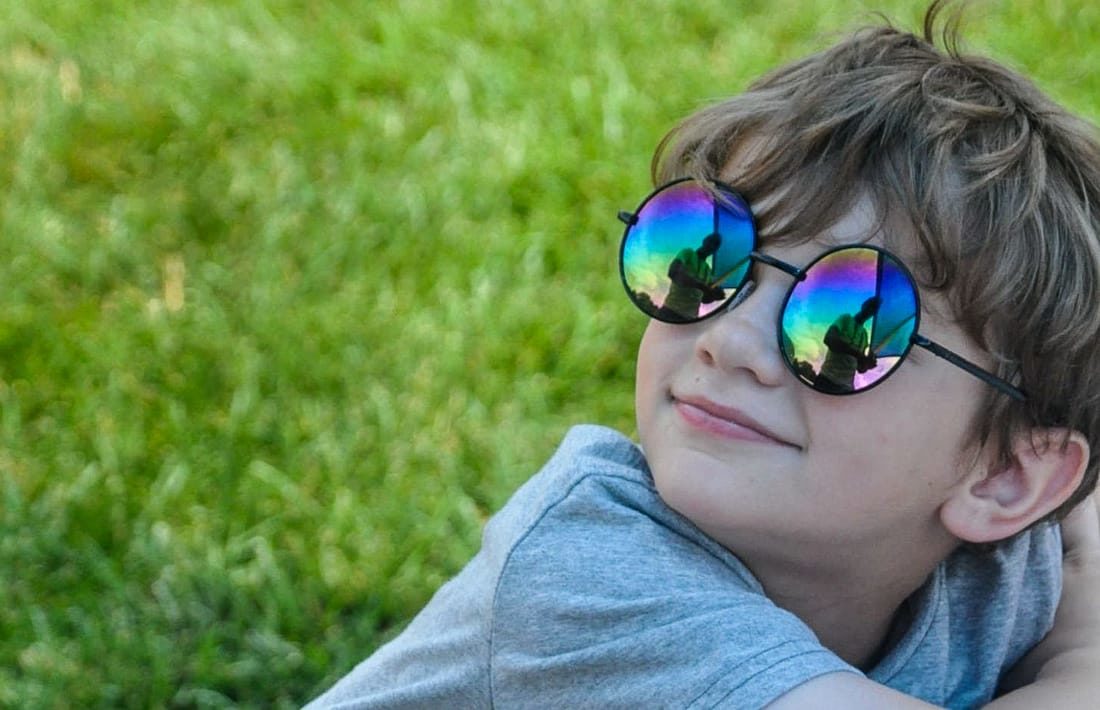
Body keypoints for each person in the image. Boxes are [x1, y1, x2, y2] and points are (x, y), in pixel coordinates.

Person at [308, 2, 1100, 707]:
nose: (729, 342)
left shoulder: (1004, 552)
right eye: (709, 254)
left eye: (847, 324)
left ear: (1005, 479)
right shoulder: (589, 570)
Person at [816, 296, 881, 392]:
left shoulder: (864, 335)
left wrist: (867, 364)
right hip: (827, 379)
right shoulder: (845, 319)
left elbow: (860, 368)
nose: (871, 310)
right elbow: (829, 339)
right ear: (864, 305)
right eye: (870, 305)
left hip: (846, 388)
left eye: (874, 309)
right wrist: (859, 355)